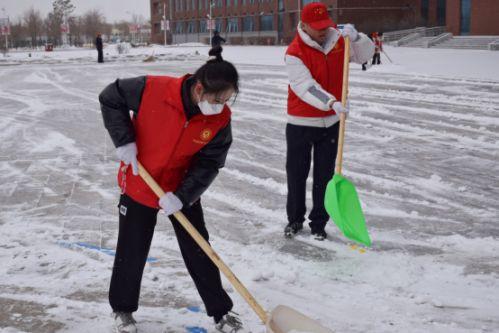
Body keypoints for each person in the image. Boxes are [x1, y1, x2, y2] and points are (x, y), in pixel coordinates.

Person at [99, 46, 242, 333]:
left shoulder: (219, 118)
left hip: (181, 186)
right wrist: (124, 140)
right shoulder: (152, 88)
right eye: (217, 99)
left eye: (228, 100)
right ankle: (123, 310)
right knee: (132, 248)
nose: (221, 105)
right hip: (141, 179)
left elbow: (211, 161)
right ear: (199, 88)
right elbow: (110, 97)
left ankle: (221, 314)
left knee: (199, 248)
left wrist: (183, 195)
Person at [284, 2, 374, 240]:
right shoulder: (294, 53)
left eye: (324, 25)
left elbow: (366, 55)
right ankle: (294, 220)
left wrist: (358, 39)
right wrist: (331, 102)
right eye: (316, 27)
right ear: (303, 25)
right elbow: (305, 87)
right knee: (297, 174)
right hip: (300, 122)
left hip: (332, 123)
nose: (322, 30)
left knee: (325, 176)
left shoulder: (340, 42)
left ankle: (318, 224)